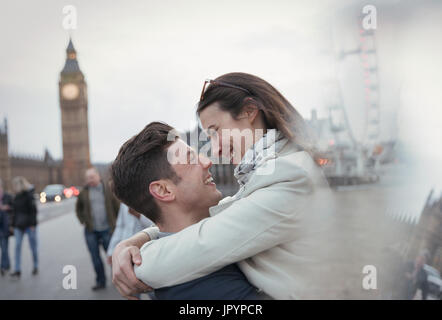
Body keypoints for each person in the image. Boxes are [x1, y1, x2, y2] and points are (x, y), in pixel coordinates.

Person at [112, 72, 336, 300]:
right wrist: (139, 239)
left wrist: (132, 260)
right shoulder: (274, 169)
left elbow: (204, 242)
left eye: (215, 131)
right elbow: (226, 214)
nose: (214, 153)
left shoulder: (289, 176)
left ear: (249, 111)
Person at [111, 122, 263, 299]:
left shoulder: (173, 266)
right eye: (191, 160)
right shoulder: (208, 288)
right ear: (164, 190)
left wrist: (135, 240)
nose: (207, 162)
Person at [75, 167, 120, 290]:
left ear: (98, 176)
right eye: (87, 178)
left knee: (112, 256)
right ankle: (100, 281)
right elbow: (78, 208)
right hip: (91, 231)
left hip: (107, 229)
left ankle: (118, 279)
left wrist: (117, 224)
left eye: (92, 177)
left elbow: (118, 207)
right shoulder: (84, 192)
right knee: (95, 258)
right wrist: (82, 220)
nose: (90, 180)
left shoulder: (108, 190)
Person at [10, 176, 38, 279]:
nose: (13, 188)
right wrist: (12, 225)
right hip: (18, 225)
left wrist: (32, 225)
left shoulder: (29, 196)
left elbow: (33, 211)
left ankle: (35, 265)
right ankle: (17, 269)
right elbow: (14, 212)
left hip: (29, 226)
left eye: (15, 185)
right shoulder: (16, 197)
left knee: (33, 247)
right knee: (17, 246)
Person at [0, 178, 13, 276]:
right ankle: (7, 264)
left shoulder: (8, 196)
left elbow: (14, 208)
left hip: (5, 227)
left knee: (4, 248)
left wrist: (7, 207)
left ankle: (3, 267)